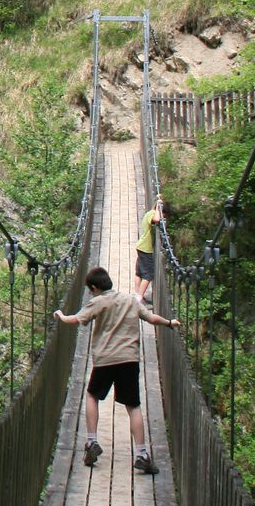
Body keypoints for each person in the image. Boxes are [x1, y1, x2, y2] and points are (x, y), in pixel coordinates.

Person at [54, 265, 181, 475]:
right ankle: (141, 454)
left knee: (92, 396)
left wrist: (60, 315)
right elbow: (151, 318)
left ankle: (92, 442)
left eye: (89, 289)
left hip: (104, 360)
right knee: (133, 406)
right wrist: (169, 322)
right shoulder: (131, 300)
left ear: (94, 287)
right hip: (129, 359)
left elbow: (75, 320)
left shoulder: (97, 302)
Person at [134, 193, 164, 305]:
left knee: (139, 272)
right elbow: (156, 219)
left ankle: (137, 294)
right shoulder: (153, 214)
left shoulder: (148, 213)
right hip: (146, 249)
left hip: (141, 246)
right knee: (148, 275)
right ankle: (139, 299)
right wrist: (158, 209)